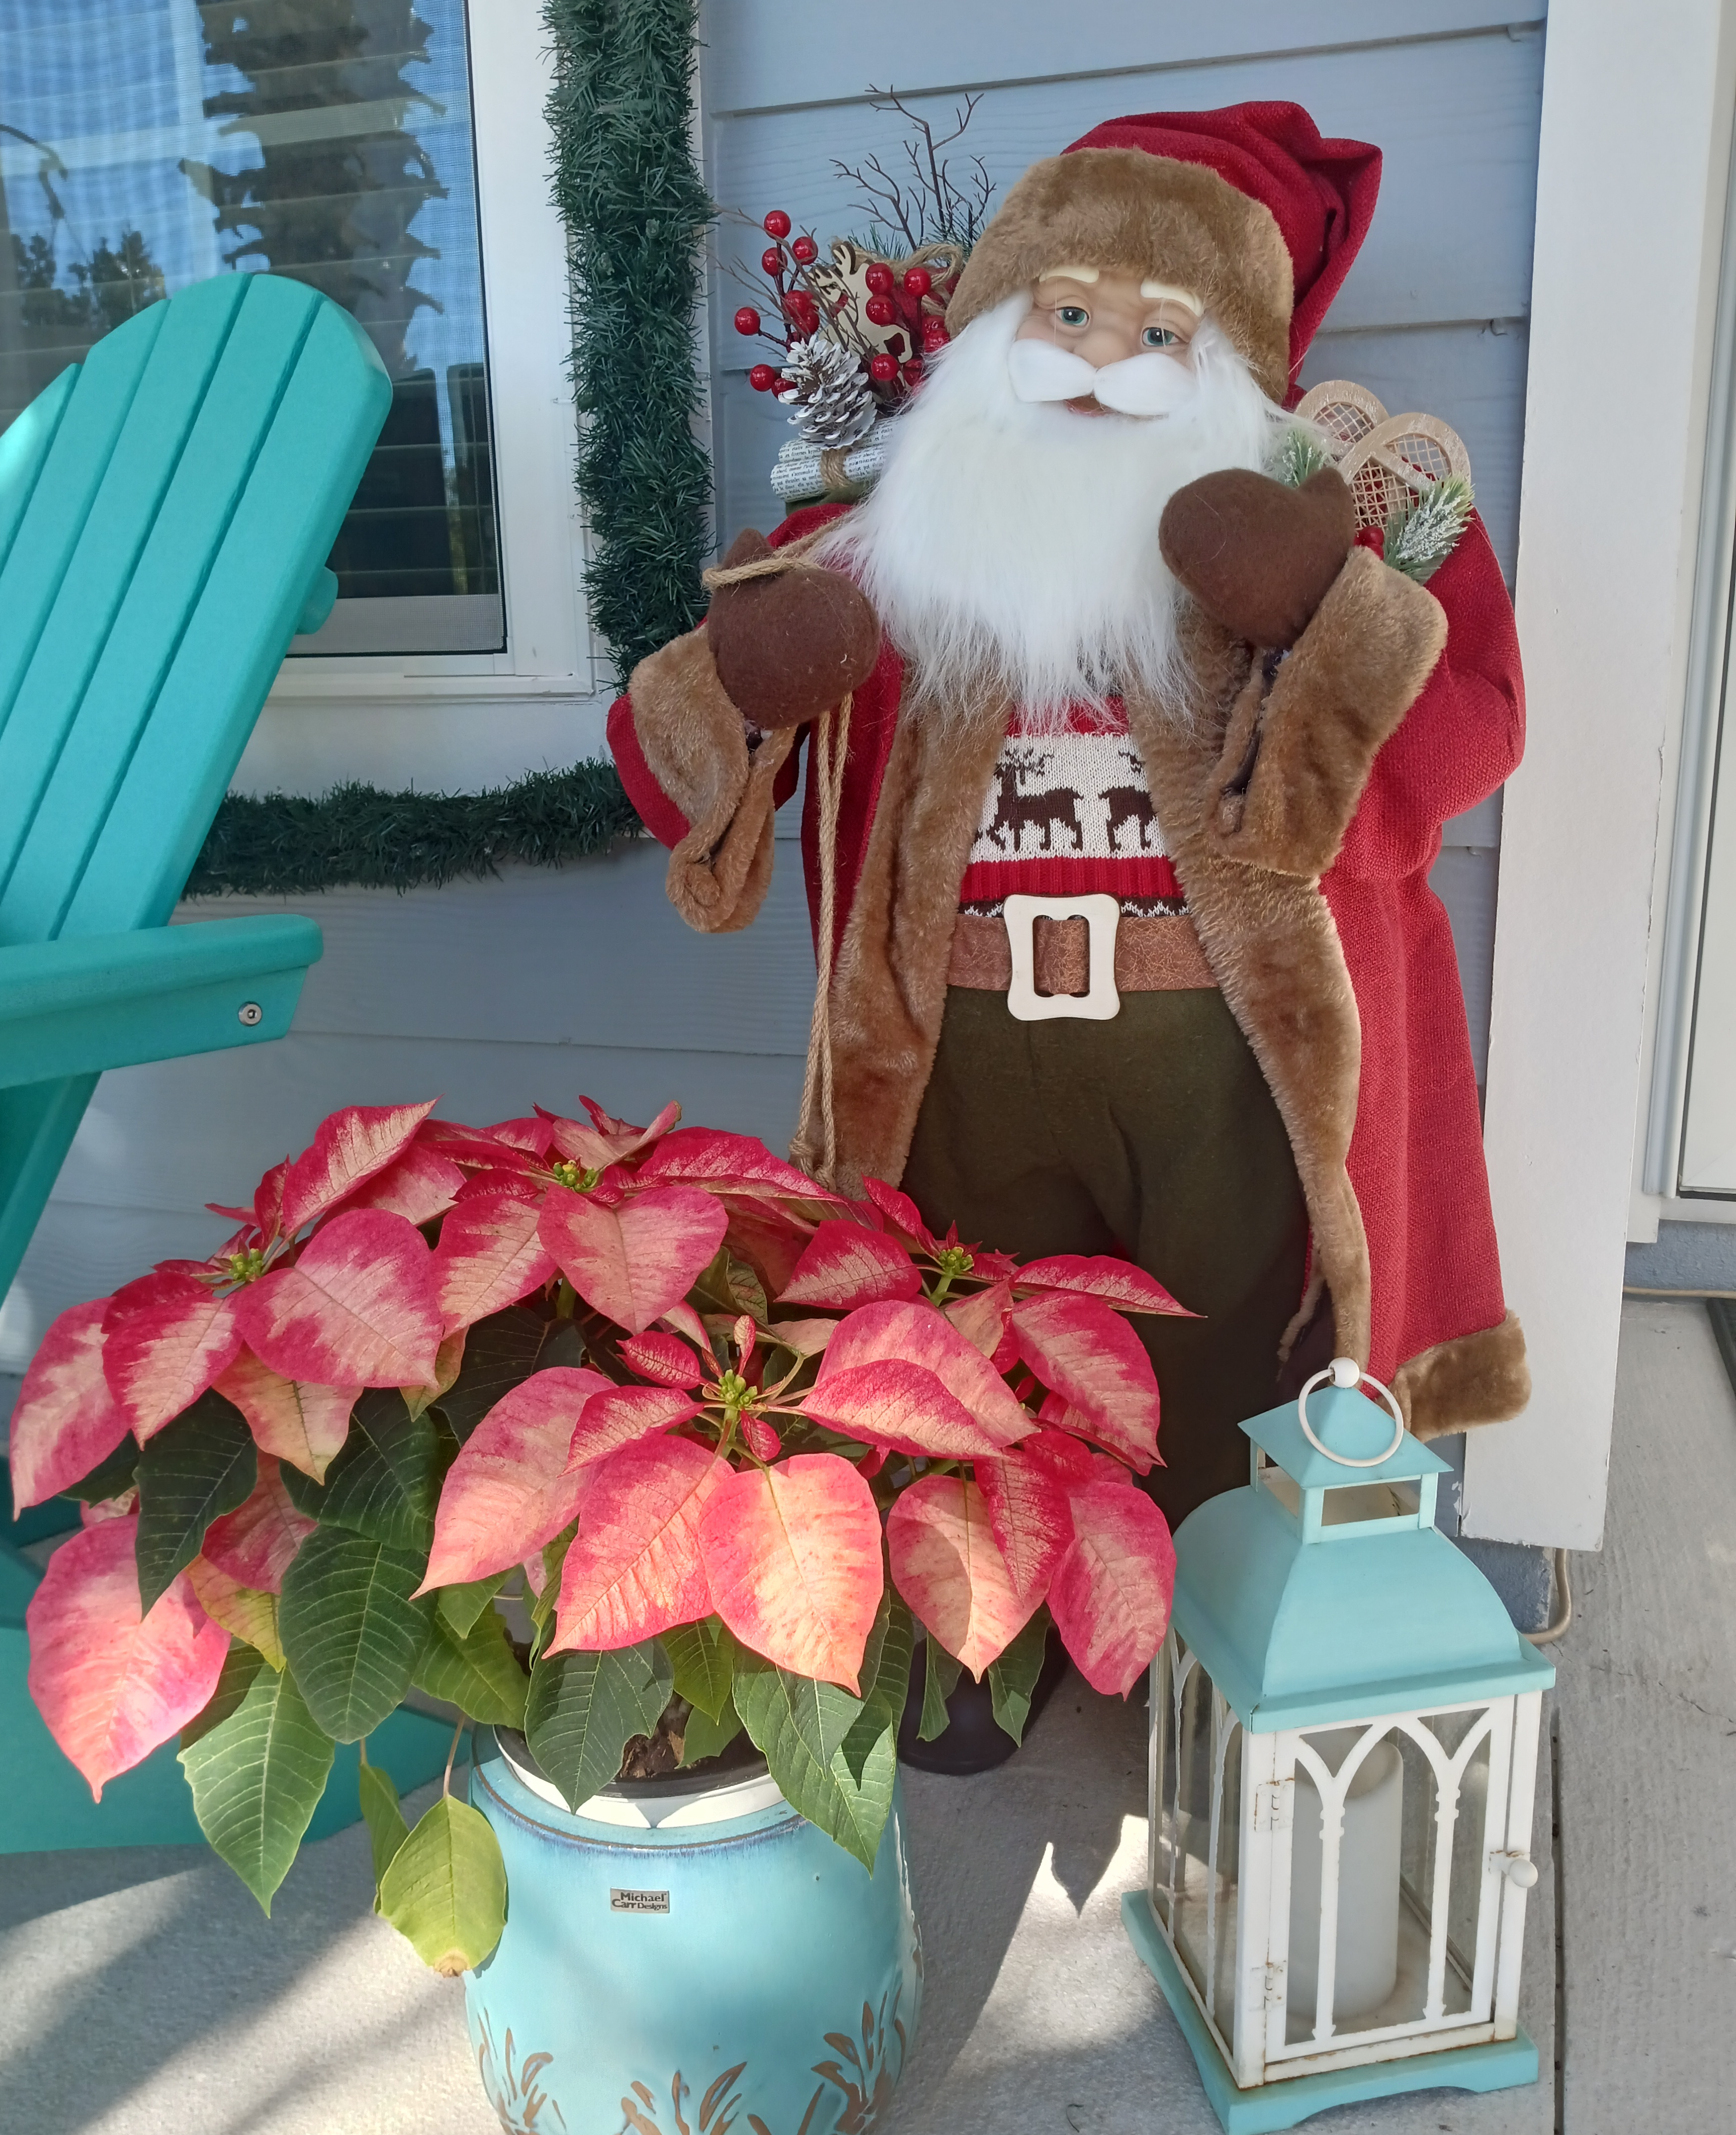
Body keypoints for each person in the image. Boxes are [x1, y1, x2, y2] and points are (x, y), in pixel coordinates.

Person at [607, 101, 1529, 1533]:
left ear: (1230, 375)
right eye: (1073, 312)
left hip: (1226, 1065)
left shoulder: (1336, 530)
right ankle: (994, 1611)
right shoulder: (886, 550)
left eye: (1161, 331)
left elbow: (1473, 732)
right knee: (961, 1367)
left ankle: (1208, 1600)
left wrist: (1324, 613)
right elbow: (668, 762)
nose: (1104, 357)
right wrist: (743, 683)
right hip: (951, 1060)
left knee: (1227, 1370)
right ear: (992, 335)